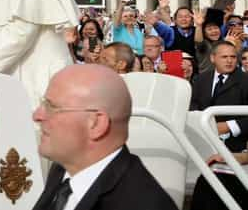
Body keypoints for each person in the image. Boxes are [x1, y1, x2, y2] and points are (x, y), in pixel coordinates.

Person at [31, 64, 175, 210]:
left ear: (96, 124)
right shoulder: (63, 172)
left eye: (52, 107)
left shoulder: (141, 203)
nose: (37, 116)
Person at [189, 41, 248, 153]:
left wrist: (229, 126)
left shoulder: (245, 81)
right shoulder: (200, 79)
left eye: (233, 57)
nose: (229, 61)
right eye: (224, 57)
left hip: (236, 147)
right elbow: (193, 104)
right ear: (212, 58)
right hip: (202, 142)